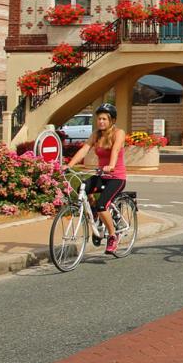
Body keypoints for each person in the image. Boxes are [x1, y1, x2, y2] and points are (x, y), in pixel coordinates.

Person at [67, 102, 127, 255]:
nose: (101, 122)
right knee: (83, 189)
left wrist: (111, 165)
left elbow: (115, 149)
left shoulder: (118, 133)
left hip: (116, 177)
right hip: (101, 174)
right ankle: (94, 214)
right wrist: (69, 165)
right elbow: (84, 149)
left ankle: (113, 235)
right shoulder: (96, 134)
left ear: (112, 120)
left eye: (104, 119)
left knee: (102, 205)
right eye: (99, 119)